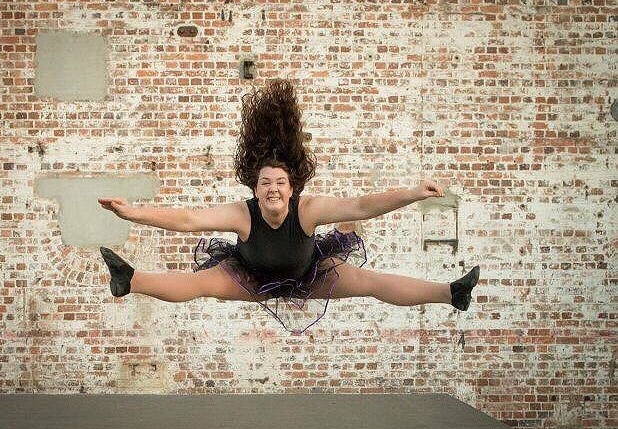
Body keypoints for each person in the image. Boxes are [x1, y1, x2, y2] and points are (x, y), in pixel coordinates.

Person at [98, 79, 480, 334]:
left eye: (280, 183)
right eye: (265, 183)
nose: (273, 189)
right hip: (251, 277)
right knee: (202, 283)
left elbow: (362, 206)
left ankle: (452, 292)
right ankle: (130, 280)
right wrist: (132, 213)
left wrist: (414, 192)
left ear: (292, 186)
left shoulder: (308, 210)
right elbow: (188, 219)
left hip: (309, 272)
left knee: (371, 282)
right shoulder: (242, 213)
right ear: (255, 186)